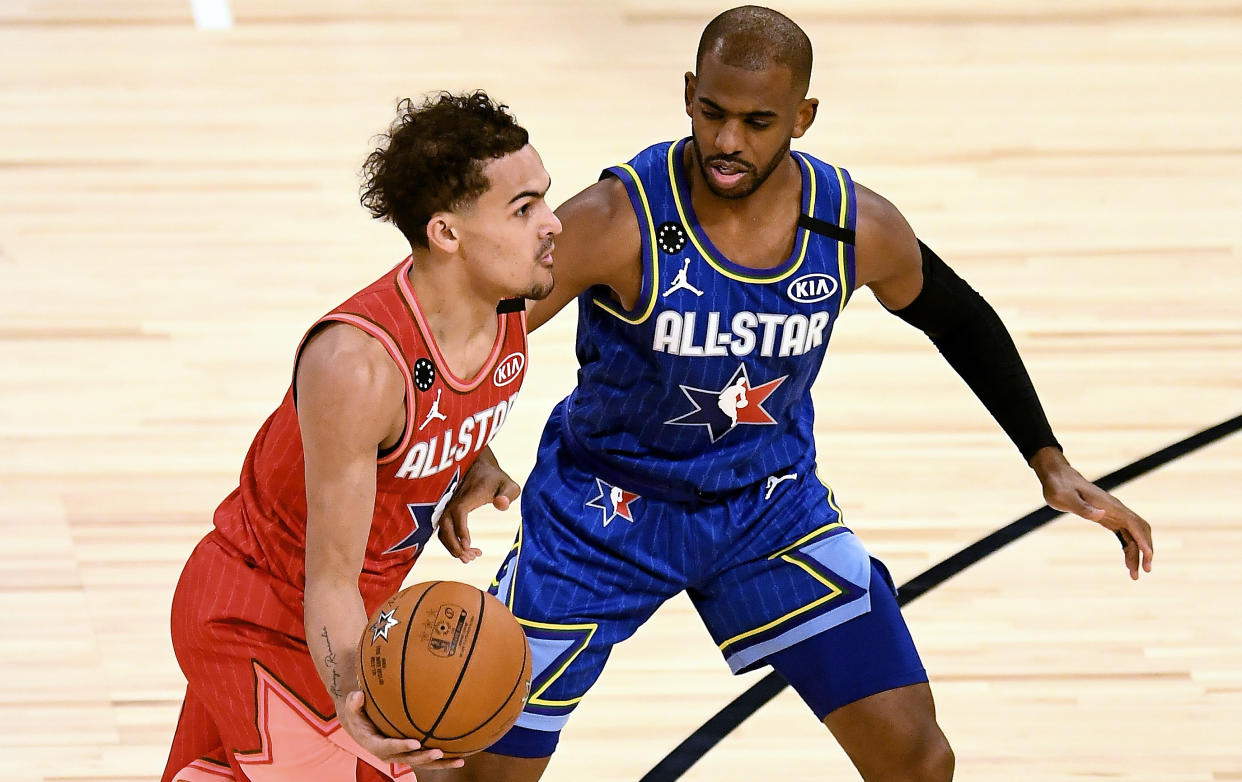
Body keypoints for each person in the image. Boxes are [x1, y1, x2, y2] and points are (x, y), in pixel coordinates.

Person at [428, 7, 1155, 782]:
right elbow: (474, 325)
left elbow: (958, 315)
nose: (728, 141)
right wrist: (472, 447)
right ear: (687, 95)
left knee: (917, 759)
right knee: (485, 777)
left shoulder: (852, 227)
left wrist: (1047, 458)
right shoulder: (617, 219)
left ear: (802, 118)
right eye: (712, 113)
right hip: (600, 515)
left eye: (758, 120)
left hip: (765, 506)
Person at [161, 91, 561, 782]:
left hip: (352, 618)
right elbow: (331, 578)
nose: (552, 224)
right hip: (257, 617)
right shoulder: (358, 365)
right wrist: (356, 700)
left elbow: (448, 403)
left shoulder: (506, 309)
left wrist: (472, 460)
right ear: (446, 234)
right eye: (524, 209)